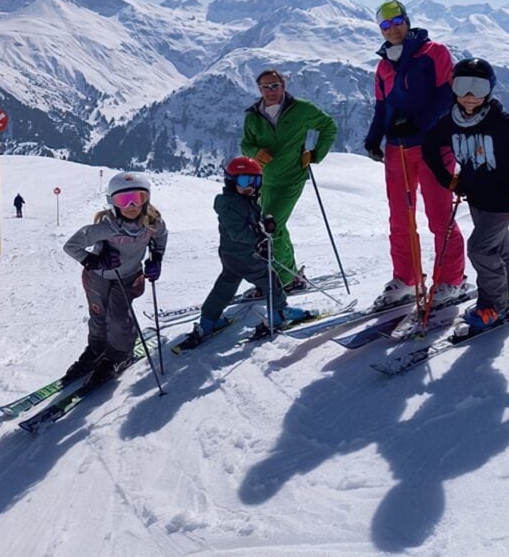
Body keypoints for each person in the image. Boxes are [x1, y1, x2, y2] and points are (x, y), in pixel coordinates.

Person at [422, 57, 509, 329]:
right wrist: (449, 180)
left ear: (489, 90)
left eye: (477, 88)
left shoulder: (503, 123)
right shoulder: (451, 122)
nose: (469, 96)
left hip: (503, 199)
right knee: (500, 246)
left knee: (480, 248)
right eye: (462, 86)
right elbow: (430, 146)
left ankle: (494, 306)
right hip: (476, 197)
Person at [364, 0, 465, 307]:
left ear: (407, 22)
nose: (392, 30)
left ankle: (452, 280)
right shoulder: (383, 65)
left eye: (397, 23)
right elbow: (383, 106)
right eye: (385, 25)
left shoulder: (434, 52)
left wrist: (418, 123)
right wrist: (373, 137)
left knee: (439, 214)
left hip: (433, 145)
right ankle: (407, 279)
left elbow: (446, 94)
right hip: (398, 149)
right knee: (400, 218)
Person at [180, 157, 311, 348]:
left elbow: (252, 220)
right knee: (270, 279)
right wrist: (259, 239)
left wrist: (264, 222)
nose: (250, 186)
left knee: (226, 286)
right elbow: (238, 232)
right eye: (244, 181)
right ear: (231, 182)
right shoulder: (231, 205)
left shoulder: (242, 200)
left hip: (231, 256)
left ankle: (209, 321)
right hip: (244, 255)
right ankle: (279, 312)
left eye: (255, 181)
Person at [62, 172, 168, 386]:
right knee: (98, 315)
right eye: (122, 199)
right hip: (98, 277)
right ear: (112, 202)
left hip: (127, 277)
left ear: (146, 199)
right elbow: (71, 246)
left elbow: (161, 237)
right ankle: (96, 349)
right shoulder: (105, 226)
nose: (131, 205)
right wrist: (95, 260)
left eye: (138, 198)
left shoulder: (152, 223)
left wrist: (156, 258)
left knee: (119, 318)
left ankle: (119, 354)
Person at [240, 69, 337, 290]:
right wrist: (255, 153)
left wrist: (314, 154)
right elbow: (245, 144)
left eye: (275, 85)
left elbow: (329, 126)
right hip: (264, 181)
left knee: (271, 227)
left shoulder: (302, 109)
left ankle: (285, 279)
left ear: (283, 86)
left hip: (291, 178)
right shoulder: (253, 116)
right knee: (273, 227)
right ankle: (287, 272)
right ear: (259, 89)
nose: (271, 91)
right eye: (266, 87)